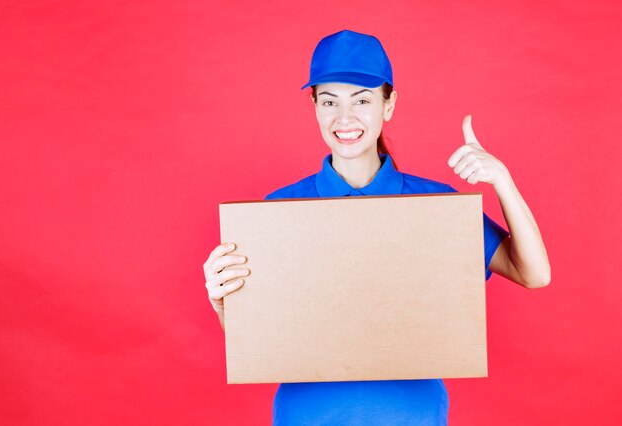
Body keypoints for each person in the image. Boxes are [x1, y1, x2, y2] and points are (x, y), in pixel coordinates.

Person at [203, 29, 550, 425]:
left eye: (362, 100)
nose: (345, 118)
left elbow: (534, 274)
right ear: (314, 105)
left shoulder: (435, 206)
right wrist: (223, 304)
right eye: (329, 101)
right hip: (306, 416)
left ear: (389, 105)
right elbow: (261, 339)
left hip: (412, 415)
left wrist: (502, 179)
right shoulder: (277, 211)